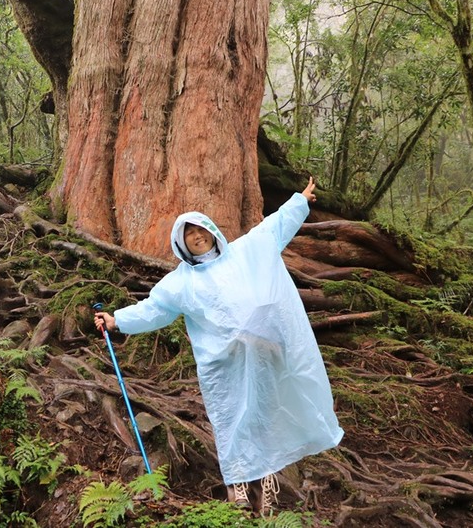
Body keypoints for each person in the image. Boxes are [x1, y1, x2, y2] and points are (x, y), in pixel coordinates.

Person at [94, 178, 343, 515]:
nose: (198, 237)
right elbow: (153, 309)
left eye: (201, 230)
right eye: (189, 235)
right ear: (181, 245)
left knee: (263, 415)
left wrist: (299, 201)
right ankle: (238, 491)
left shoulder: (243, 252)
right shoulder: (181, 282)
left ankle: (265, 489)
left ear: (211, 231)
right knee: (232, 419)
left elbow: (274, 228)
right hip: (223, 365)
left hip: (262, 355)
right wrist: (116, 320)